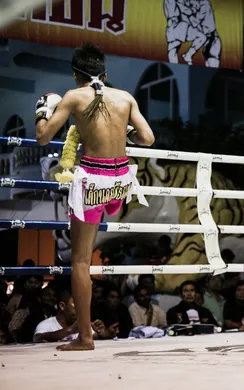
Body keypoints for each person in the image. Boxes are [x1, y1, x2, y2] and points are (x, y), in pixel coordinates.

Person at [35, 42, 155, 350]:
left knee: (80, 261)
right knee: (95, 235)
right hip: (120, 181)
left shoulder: (74, 97)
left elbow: (43, 136)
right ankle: (87, 333)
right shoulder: (125, 97)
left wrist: (43, 110)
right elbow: (147, 138)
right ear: (105, 71)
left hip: (93, 182)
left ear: (76, 75)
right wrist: (122, 131)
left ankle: (85, 337)